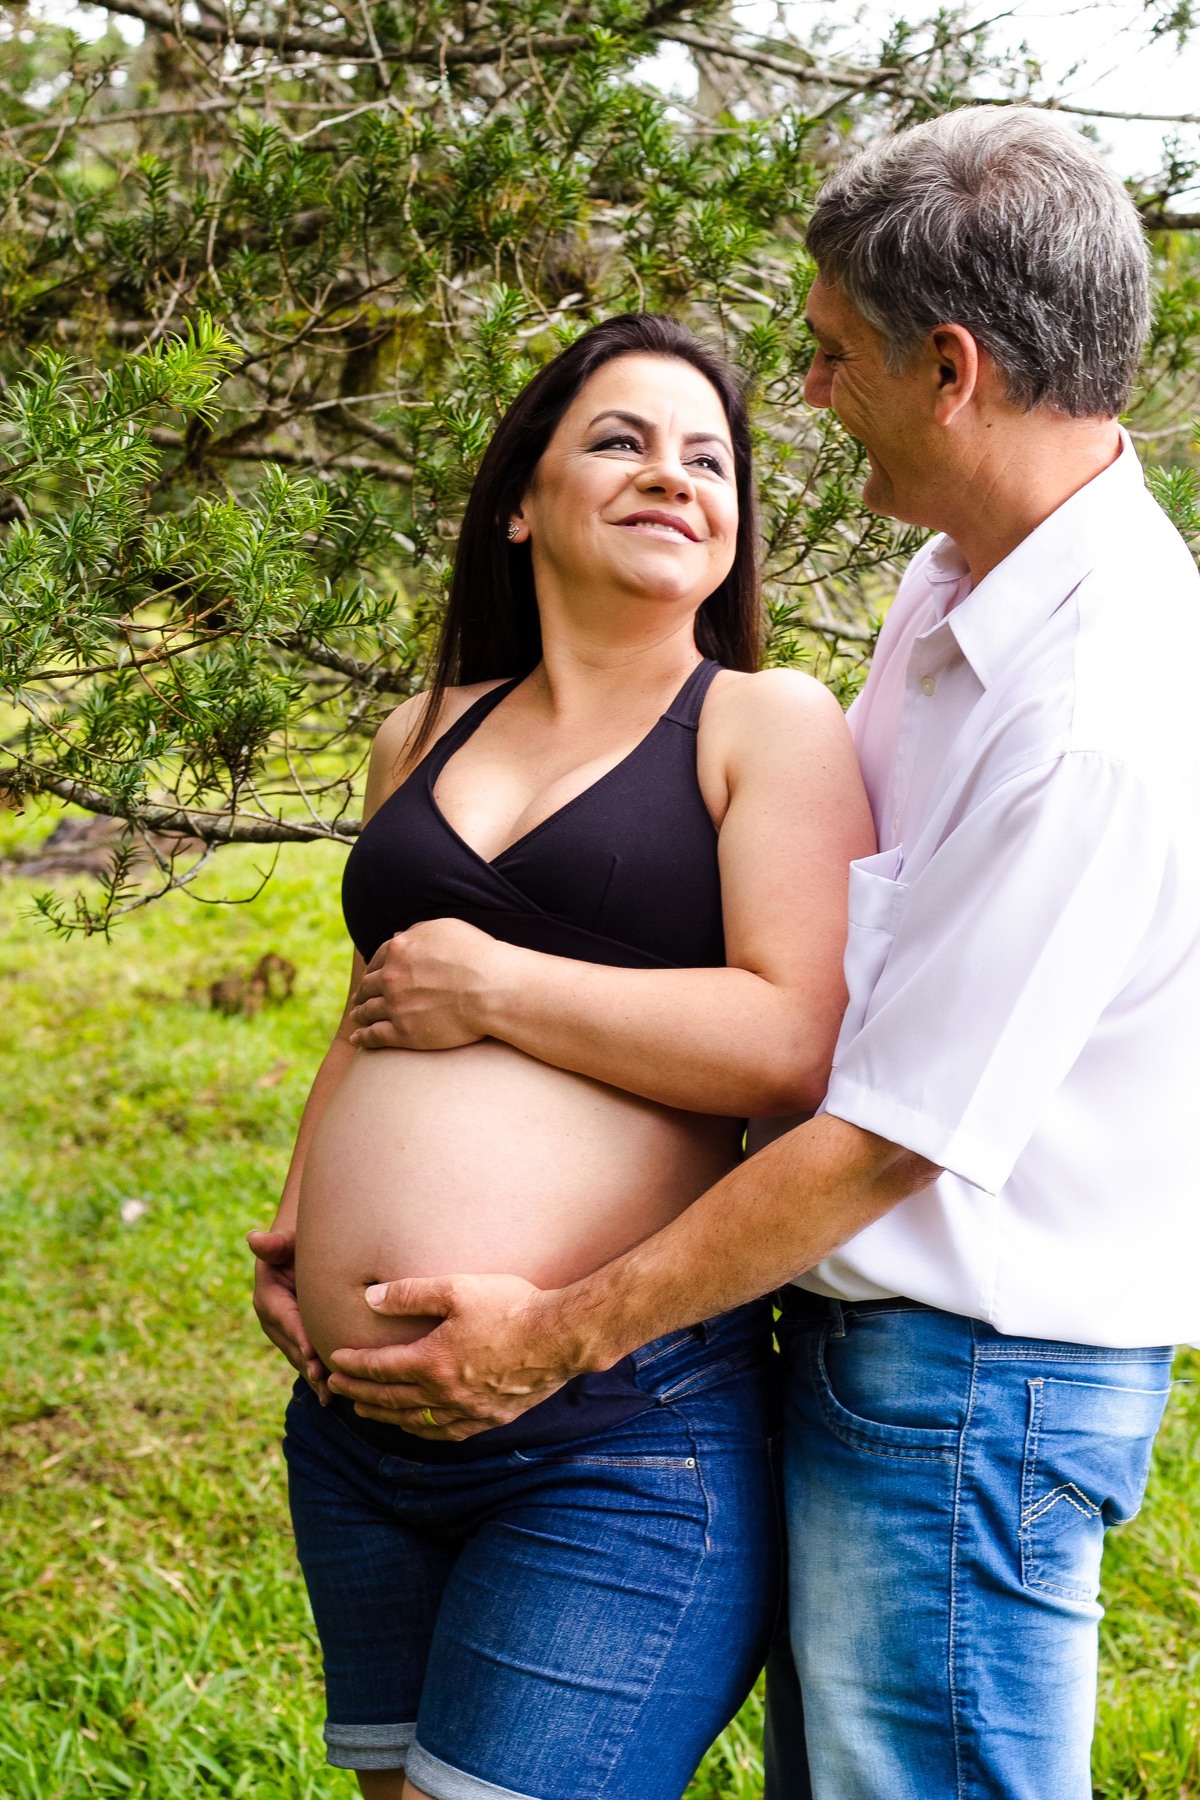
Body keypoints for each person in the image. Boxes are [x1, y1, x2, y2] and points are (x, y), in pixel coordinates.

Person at [331, 109, 1200, 1800]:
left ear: (948, 369)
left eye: (824, 355)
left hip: (973, 1381)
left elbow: (881, 1125)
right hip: (866, 1354)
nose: (802, 397)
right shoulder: (955, 586)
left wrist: (558, 1334)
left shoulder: (1102, 710)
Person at [249, 312, 873, 1800]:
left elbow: (796, 1042)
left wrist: (505, 988)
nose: (673, 474)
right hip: (359, 1428)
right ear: (522, 499)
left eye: (709, 458)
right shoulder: (426, 730)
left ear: (732, 532)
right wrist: (302, 1222)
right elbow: (381, 997)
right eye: (622, 439)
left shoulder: (763, 725)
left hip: (608, 1436)